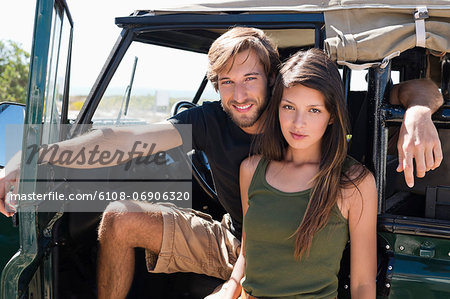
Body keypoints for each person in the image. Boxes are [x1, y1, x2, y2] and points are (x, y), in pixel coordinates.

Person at [0, 27, 443, 298]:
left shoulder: (305, 102)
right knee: (117, 218)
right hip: (240, 240)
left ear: (274, 78)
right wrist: (32, 161)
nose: (240, 94)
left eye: (250, 78)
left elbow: (416, 89)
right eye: (226, 82)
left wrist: (419, 113)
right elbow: (125, 138)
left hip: (311, 254)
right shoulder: (211, 120)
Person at [224, 48, 376, 299]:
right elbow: (246, 254)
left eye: (314, 110)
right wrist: (228, 291)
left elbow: (362, 284)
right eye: (289, 107)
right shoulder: (251, 170)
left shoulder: (353, 182)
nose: (298, 123)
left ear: (330, 116)